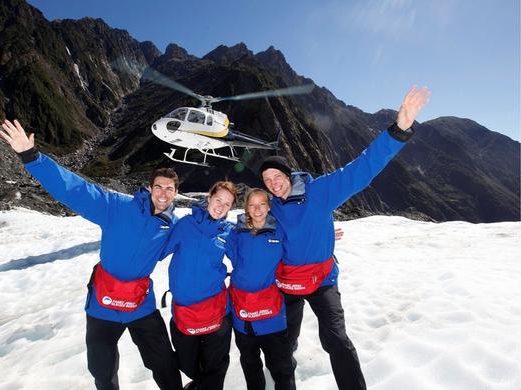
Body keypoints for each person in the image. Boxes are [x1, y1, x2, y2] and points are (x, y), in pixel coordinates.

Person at [259, 86, 430, 390]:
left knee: (336, 341)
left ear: (289, 175)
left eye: (277, 177)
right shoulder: (269, 208)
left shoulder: (318, 193)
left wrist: (399, 130)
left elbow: (360, 171)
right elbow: (259, 235)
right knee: (285, 340)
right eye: (267, 181)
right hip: (287, 283)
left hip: (322, 279)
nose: (273, 184)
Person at [0, 119, 183, 390]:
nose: (163, 193)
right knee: (101, 367)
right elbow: (75, 190)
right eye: (158, 186)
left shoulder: (172, 227)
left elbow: (198, 241)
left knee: (164, 363)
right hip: (103, 302)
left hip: (140, 304)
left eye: (169, 189)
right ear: (149, 188)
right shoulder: (117, 208)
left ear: (176, 194)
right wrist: (31, 157)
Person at [162, 181, 237, 390]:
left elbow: (246, 257)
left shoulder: (229, 232)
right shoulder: (186, 225)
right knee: (187, 363)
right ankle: (199, 383)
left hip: (217, 309)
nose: (221, 206)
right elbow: (159, 249)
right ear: (209, 197)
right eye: (218, 200)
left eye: (227, 204)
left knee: (215, 367)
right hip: (185, 310)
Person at [225, 188, 295, 390]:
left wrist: (323, 235)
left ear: (269, 206)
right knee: (250, 365)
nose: (257, 209)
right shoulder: (235, 233)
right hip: (242, 314)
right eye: (252, 204)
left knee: (282, 368)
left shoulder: (280, 230)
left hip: (271, 315)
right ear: (246, 207)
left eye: (262, 204)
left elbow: (299, 242)